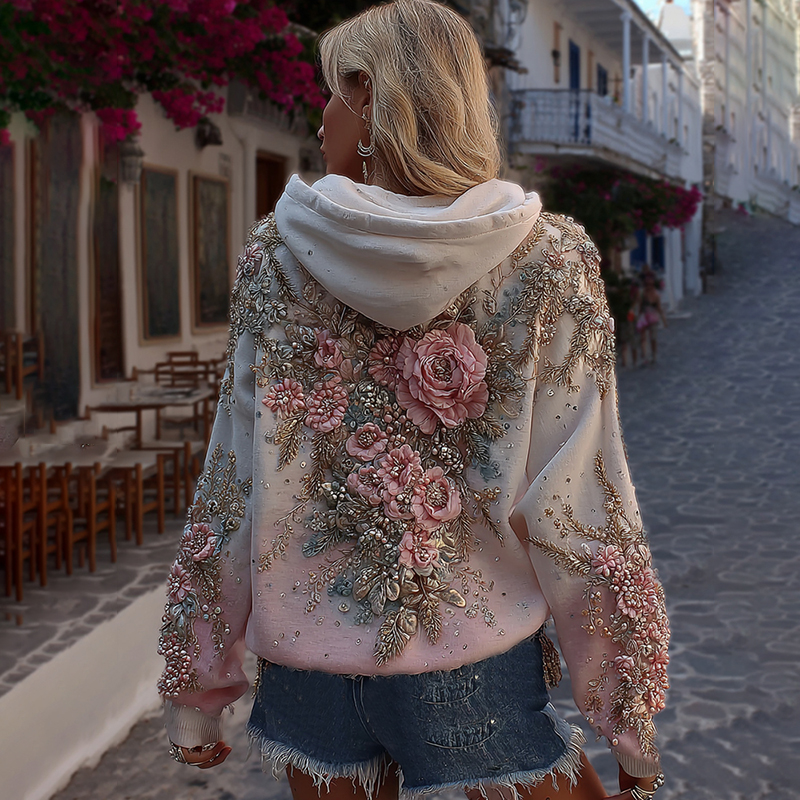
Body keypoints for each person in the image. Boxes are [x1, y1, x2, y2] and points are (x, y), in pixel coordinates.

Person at [157, 3, 670, 800]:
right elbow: (579, 501)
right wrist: (629, 715)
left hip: (307, 669)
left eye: (332, 90)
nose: (319, 114)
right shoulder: (548, 261)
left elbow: (233, 481)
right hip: (470, 663)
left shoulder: (279, 254)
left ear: (368, 95)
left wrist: (196, 686)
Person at [634, 270, 668, 365]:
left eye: (650, 284)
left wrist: (663, 320)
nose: (649, 286)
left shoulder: (656, 295)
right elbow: (639, 305)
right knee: (643, 338)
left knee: (653, 338)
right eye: (647, 284)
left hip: (653, 318)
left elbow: (659, 308)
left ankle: (653, 354)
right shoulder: (642, 293)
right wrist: (637, 316)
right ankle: (645, 356)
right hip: (644, 318)